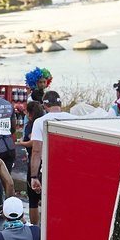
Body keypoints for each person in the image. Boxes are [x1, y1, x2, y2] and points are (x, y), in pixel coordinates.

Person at [27, 91, 76, 227]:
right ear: (60, 104)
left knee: (49, 206)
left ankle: (47, 237)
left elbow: (36, 151)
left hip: (50, 171)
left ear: (44, 105)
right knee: (67, 205)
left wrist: (34, 176)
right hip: (71, 170)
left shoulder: (40, 122)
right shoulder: (74, 119)